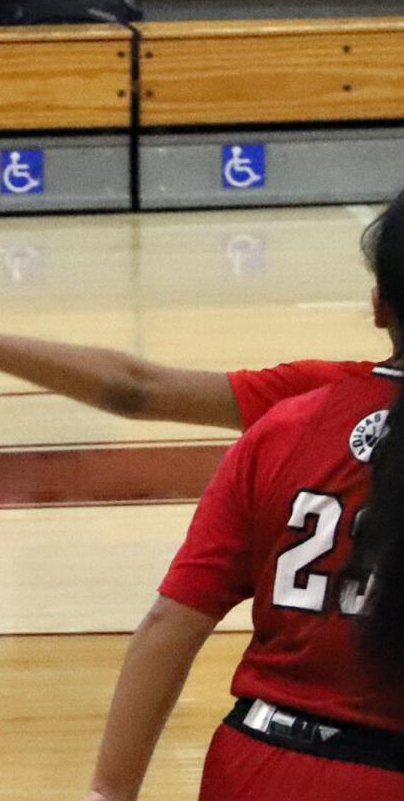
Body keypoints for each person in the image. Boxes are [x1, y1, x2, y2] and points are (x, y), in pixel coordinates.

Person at [74, 192, 404, 799]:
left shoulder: (288, 424)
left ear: (379, 304)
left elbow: (171, 622)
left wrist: (108, 793)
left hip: (255, 762)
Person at [0, 289, 376, 432]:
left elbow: (137, 389)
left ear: (377, 305)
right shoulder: (329, 392)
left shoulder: (332, 393)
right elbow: (134, 389)